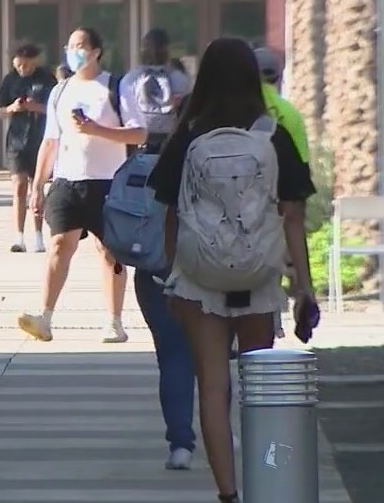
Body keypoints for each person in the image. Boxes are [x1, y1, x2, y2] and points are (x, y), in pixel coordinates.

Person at [148, 37, 317, 503]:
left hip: (200, 279)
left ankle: (229, 493)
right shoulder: (271, 134)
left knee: (213, 387)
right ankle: (270, 483)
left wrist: (173, 276)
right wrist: (303, 285)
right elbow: (293, 215)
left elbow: (168, 211)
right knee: (259, 392)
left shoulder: (189, 134)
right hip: (258, 278)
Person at [17, 28, 147, 343]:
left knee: (109, 252)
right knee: (60, 245)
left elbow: (139, 134)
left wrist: (98, 130)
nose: (74, 52)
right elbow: (50, 141)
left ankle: (114, 321)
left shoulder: (117, 87)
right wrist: (38, 184)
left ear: (96, 51)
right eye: (70, 46)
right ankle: (45, 317)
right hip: (67, 181)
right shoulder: (61, 91)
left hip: (108, 183)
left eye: (81, 46)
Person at [118, 29, 196, 470]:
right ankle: (213, 431)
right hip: (207, 266)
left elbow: (129, 216)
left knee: (172, 352)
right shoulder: (208, 150)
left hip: (159, 267)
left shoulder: (143, 166)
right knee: (207, 353)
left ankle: (181, 441)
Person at [0, 43, 58, 252]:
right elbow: (0, 110)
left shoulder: (46, 78)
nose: (22, 69)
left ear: (34, 61)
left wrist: (34, 107)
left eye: (26, 65)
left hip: (40, 139)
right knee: (19, 186)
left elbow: (55, 107)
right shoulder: (10, 79)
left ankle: (38, 235)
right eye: (19, 65)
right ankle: (19, 236)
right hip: (16, 141)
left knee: (37, 187)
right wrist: (13, 108)